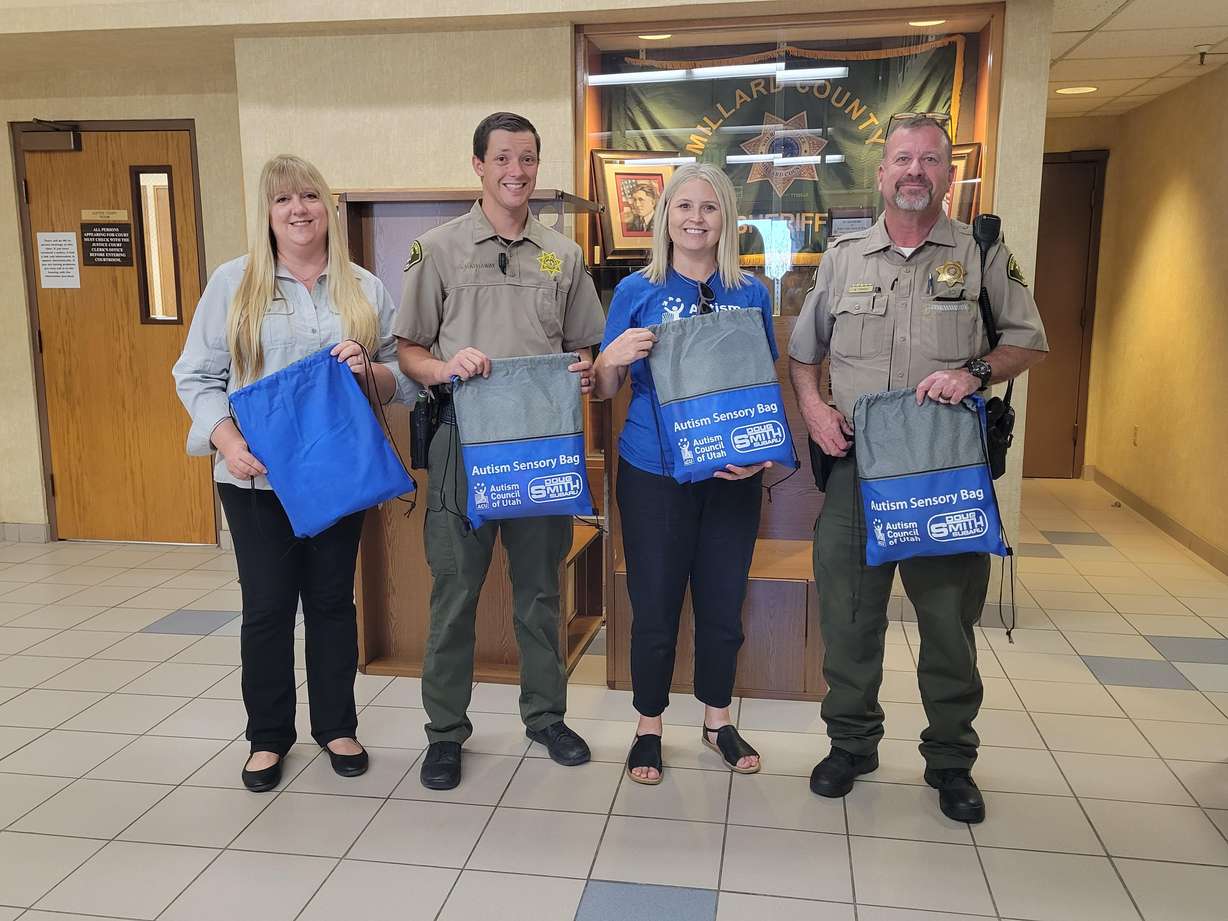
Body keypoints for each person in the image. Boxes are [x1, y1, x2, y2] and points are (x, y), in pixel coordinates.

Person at [788, 115, 1048, 823]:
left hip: (943, 472)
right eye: (902, 158)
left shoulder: (982, 251)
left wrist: (974, 372)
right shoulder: (843, 257)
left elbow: (1028, 340)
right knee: (847, 619)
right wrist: (813, 410)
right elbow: (803, 355)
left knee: (947, 621)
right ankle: (851, 744)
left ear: (947, 173)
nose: (914, 170)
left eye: (929, 159)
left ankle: (950, 760)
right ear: (881, 173)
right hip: (856, 472)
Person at [173, 154, 413, 792]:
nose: (299, 209)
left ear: (329, 207)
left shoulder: (363, 286)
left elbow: (402, 381)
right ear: (267, 213)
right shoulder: (234, 283)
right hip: (255, 480)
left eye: (310, 196)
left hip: (336, 478)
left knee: (334, 603)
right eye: (284, 200)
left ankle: (337, 726)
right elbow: (194, 375)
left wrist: (368, 368)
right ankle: (267, 737)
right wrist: (226, 441)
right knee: (268, 609)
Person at [394, 112, 606, 791]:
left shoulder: (560, 254)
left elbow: (585, 346)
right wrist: (446, 366)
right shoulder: (435, 249)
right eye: (503, 158)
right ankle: (445, 732)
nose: (517, 171)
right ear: (478, 165)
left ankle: (545, 716)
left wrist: (583, 366)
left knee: (542, 591)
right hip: (464, 442)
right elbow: (407, 351)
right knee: (454, 593)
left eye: (529, 159)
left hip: (540, 447)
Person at [593, 163, 772, 785]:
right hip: (654, 473)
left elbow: (760, 386)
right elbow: (606, 388)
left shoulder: (750, 291)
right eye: (684, 207)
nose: (696, 219)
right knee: (656, 604)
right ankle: (649, 725)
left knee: (724, 602)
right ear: (664, 216)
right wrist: (608, 359)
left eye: (710, 208)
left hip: (732, 474)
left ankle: (718, 719)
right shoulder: (635, 291)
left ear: (726, 220)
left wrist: (757, 452)